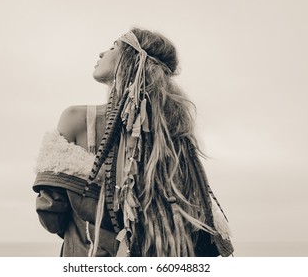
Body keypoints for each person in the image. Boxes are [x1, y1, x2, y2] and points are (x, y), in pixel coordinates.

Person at [33, 28, 234, 257]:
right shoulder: (174, 136)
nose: (102, 53)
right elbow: (195, 231)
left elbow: (52, 217)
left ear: (130, 59)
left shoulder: (77, 119)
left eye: (113, 46)